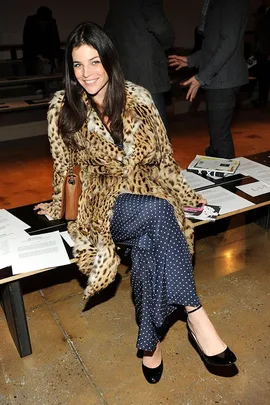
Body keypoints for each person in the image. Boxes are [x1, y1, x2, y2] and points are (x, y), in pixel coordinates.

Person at [34, 21, 236, 384]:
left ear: (109, 60)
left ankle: (149, 345)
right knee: (160, 213)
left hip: (145, 194)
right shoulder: (63, 108)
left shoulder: (139, 98)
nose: (87, 73)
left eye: (94, 62)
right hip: (100, 205)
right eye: (78, 65)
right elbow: (64, 168)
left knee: (148, 247)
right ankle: (195, 313)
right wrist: (54, 207)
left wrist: (188, 195)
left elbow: (164, 159)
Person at [168, 0, 249, 159]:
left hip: (224, 80)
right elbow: (213, 46)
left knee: (220, 138)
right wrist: (190, 60)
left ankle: (227, 180)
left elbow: (228, 44)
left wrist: (202, 77)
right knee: (216, 135)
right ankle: (219, 171)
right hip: (220, 79)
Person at [104, 0, 174, 133]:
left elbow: (109, 33)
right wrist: (166, 45)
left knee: (133, 130)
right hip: (148, 70)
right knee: (157, 132)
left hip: (124, 71)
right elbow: (161, 27)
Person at [23, 6, 61, 77]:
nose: (44, 23)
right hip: (33, 52)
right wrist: (40, 57)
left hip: (47, 50)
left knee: (48, 68)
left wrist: (55, 57)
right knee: (36, 68)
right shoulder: (31, 21)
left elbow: (55, 40)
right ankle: (38, 86)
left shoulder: (51, 22)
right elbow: (29, 41)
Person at [252, 1, 270, 108]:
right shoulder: (261, 12)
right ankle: (260, 100)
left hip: (266, 51)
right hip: (259, 50)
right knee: (260, 75)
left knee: (265, 77)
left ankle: (263, 101)